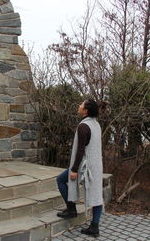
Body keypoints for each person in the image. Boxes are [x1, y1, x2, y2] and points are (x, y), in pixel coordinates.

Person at [56, 99, 103, 237]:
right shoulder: (96, 124)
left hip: (85, 166)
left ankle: (73, 211)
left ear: (86, 110)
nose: (79, 105)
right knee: (97, 195)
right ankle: (91, 224)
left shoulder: (83, 126)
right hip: (96, 165)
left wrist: (74, 170)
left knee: (60, 180)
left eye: (81, 104)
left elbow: (80, 151)